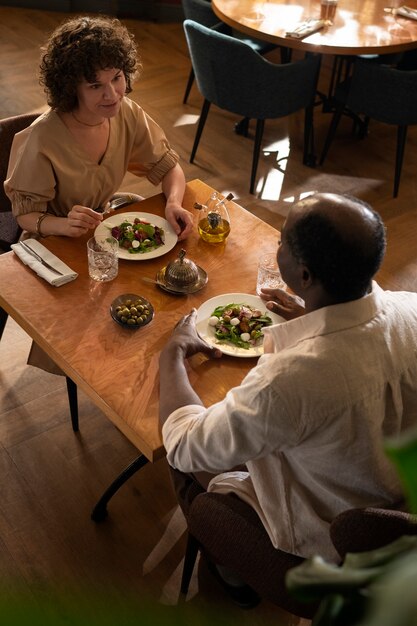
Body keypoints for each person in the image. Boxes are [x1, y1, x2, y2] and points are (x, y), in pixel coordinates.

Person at [159, 192, 417, 605]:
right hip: (395, 496)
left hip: (325, 536)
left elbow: (185, 444)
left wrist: (172, 351)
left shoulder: (294, 379)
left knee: (183, 460)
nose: (276, 248)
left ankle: (232, 566)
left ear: (305, 275)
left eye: (282, 242)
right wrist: (314, 316)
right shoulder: (412, 310)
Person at [4, 15, 193, 241]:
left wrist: (173, 203)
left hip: (101, 228)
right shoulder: (42, 137)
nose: (112, 95)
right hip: (52, 239)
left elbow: (169, 168)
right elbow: (25, 216)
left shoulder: (128, 113)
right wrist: (65, 225)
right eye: (95, 85)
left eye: (116, 78)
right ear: (71, 88)